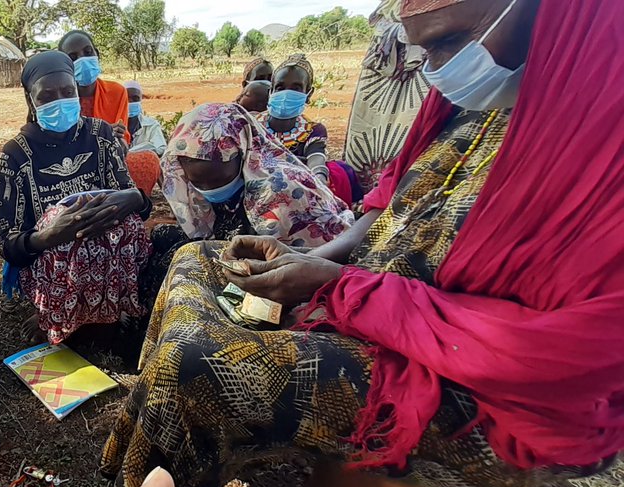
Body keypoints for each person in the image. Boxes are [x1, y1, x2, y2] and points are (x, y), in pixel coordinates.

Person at [103, 0, 624, 487]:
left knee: (196, 366)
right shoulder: (473, 104)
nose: (433, 67)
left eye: (447, 41)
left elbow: (555, 358)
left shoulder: (603, 137)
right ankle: (144, 436)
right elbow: (383, 204)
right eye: (423, 48)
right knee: (193, 260)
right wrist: (313, 260)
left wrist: (343, 288)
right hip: (371, 296)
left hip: (477, 385)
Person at [0, 51, 153, 344]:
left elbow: (140, 208)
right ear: (31, 100)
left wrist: (133, 198)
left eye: (67, 92)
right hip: (51, 261)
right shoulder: (16, 154)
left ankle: (107, 313)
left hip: (106, 254)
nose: (60, 101)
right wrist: (48, 235)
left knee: (126, 225)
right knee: (67, 231)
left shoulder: (100, 135)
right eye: (47, 96)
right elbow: (6, 242)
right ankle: (57, 314)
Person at [142, 102, 352, 306]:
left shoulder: (281, 192)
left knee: (180, 268)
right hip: (238, 238)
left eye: (216, 181)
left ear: (243, 154)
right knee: (162, 239)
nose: (208, 189)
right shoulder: (187, 174)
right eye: (198, 183)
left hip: (296, 267)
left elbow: (280, 265)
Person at [343, 0, 431, 190]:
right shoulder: (390, 7)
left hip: (421, 72)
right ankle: (365, 194)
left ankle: (395, 195)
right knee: (367, 127)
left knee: (412, 129)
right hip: (381, 75)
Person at [255, 54, 363, 207]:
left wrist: (319, 179)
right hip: (258, 185)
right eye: (280, 87)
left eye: (296, 88)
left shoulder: (313, 130)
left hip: (298, 188)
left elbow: (316, 158)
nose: (287, 93)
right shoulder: (252, 125)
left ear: (308, 94)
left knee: (340, 173)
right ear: (270, 91)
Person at [58, 31, 131, 149]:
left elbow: (122, 141)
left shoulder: (116, 92)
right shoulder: (59, 101)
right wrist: (102, 134)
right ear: (64, 65)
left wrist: (115, 137)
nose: (82, 59)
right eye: (73, 57)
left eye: (87, 52)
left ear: (97, 54)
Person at [122, 80, 166, 196]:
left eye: (135, 98)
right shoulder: (113, 124)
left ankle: (171, 201)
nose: (131, 102)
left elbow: (161, 148)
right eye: (127, 99)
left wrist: (132, 153)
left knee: (154, 161)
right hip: (120, 170)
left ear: (141, 100)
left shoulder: (150, 124)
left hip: (142, 169)